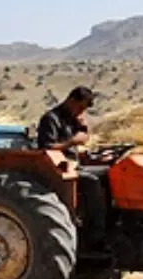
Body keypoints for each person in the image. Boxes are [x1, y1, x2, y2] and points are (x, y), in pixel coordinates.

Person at [37, 86, 107, 240]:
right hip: (59, 169)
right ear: (71, 100)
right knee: (92, 181)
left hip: (75, 165)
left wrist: (83, 128)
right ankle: (96, 234)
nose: (81, 112)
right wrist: (71, 142)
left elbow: (83, 136)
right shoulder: (51, 119)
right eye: (80, 107)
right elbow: (47, 148)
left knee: (107, 173)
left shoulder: (73, 118)